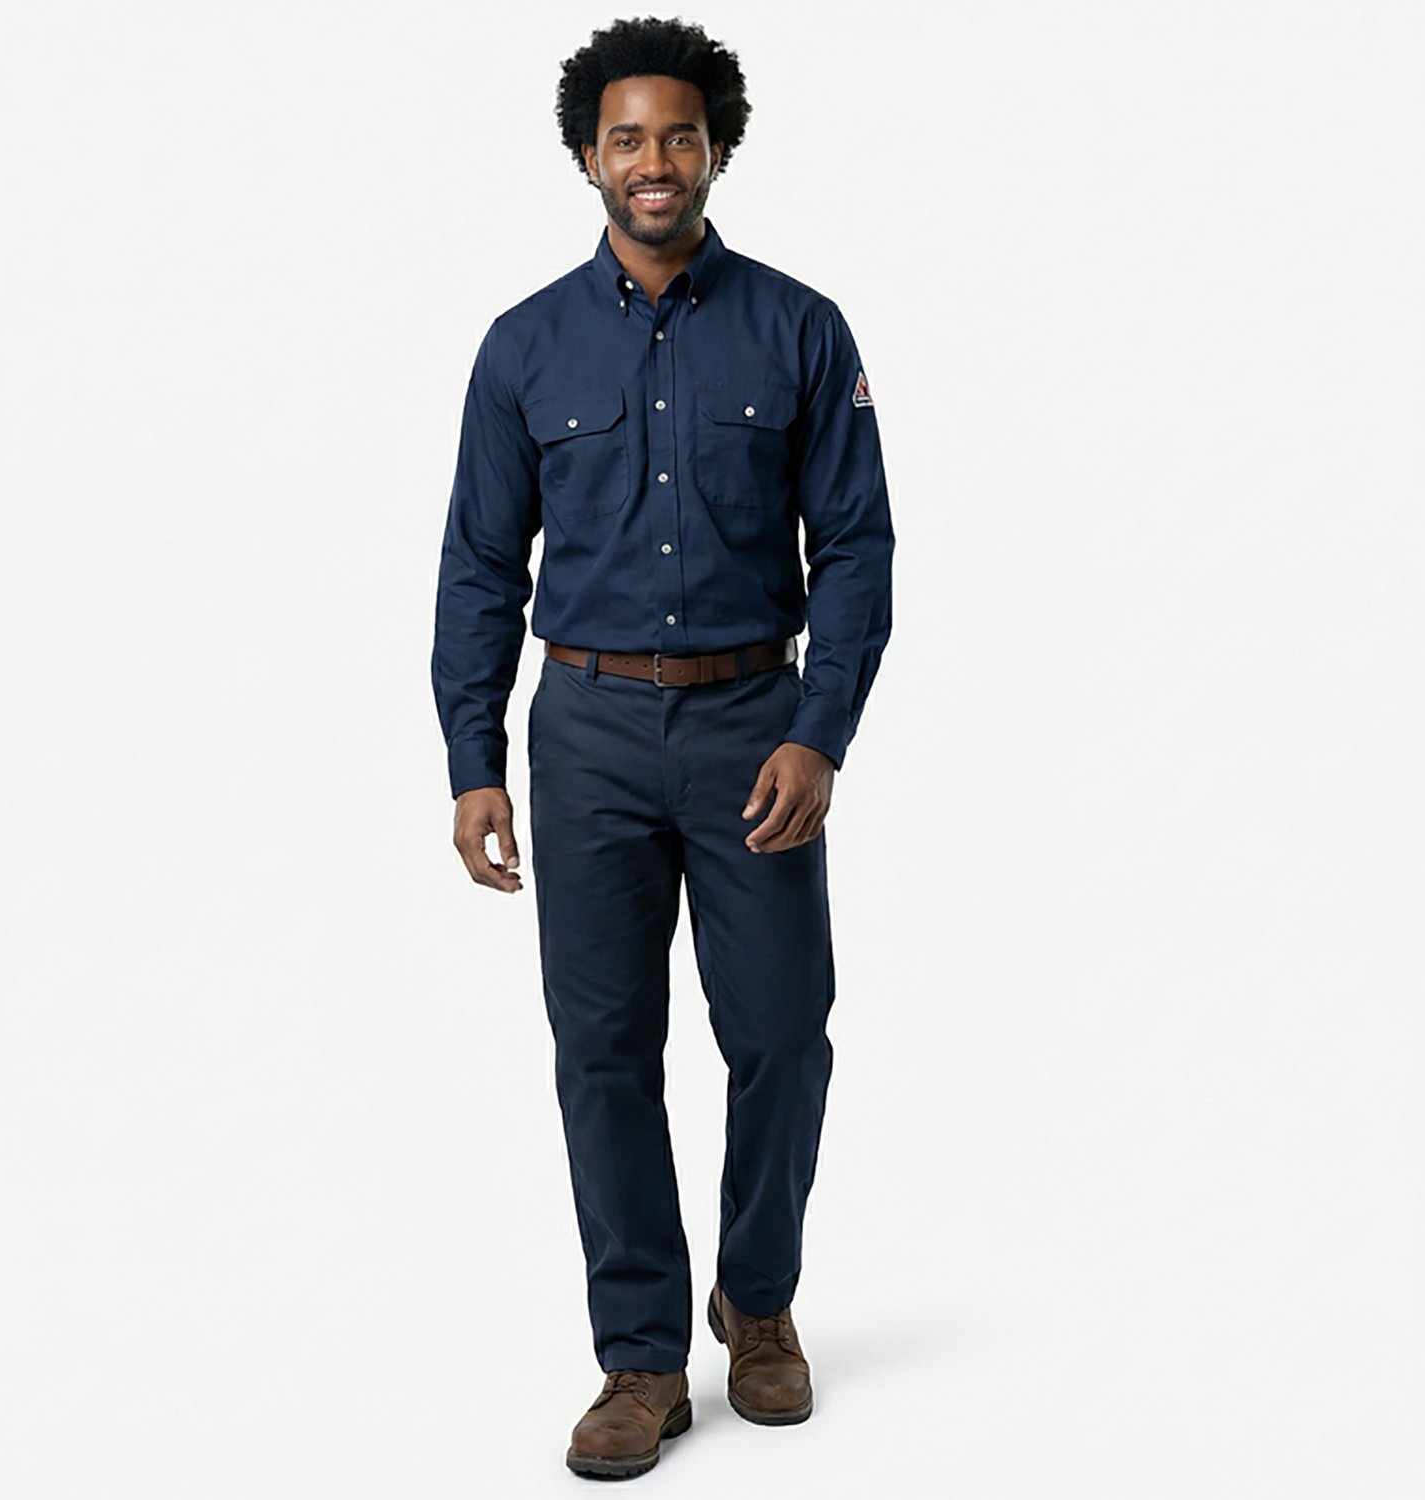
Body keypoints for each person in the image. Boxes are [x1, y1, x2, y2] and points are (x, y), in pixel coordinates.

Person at [430, 16, 894, 1481]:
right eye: (626, 138)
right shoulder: (523, 347)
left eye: (678, 136)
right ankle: (639, 1358)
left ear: (715, 150)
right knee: (604, 1052)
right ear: (588, 157)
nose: (653, 161)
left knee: (783, 1035)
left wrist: (821, 732)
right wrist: (474, 758)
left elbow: (859, 548)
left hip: (756, 728)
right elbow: (479, 566)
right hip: (586, 739)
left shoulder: (801, 329)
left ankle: (757, 1305)